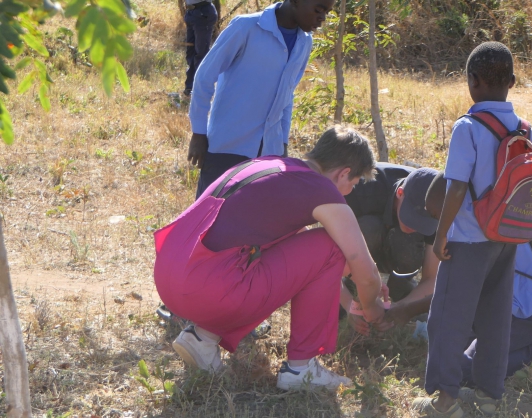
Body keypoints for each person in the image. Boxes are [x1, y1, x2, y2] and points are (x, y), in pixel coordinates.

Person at [153, 126, 389, 391]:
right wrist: (372, 305)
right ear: (344, 172)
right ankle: (301, 368)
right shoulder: (321, 189)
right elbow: (365, 272)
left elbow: (303, 263)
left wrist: (349, 299)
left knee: (310, 251)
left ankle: (202, 337)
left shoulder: (272, 165)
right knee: (330, 245)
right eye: (353, 184)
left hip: (170, 277)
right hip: (209, 288)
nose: (348, 192)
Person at [384, 172, 532, 388]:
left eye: (436, 215)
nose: (437, 225)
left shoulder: (473, 236)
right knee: (458, 345)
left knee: (467, 369)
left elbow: (456, 295)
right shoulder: (483, 210)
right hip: (512, 304)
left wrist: (406, 309)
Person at [411, 42, 526, 417]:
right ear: (511, 81)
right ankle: (491, 394)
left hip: (469, 239)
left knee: (447, 319)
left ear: (471, 82)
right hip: (506, 238)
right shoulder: (523, 127)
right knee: (495, 317)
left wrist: (441, 234)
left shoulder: (468, 127)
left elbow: (456, 186)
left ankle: (445, 400)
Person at [187, 0, 335, 198]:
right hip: (227, 145)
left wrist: (282, 144)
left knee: (252, 221)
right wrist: (198, 132)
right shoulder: (246, 27)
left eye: (327, 12)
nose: (322, 18)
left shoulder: (304, 42)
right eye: (319, 9)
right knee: (209, 218)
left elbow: (286, 96)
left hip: (268, 154)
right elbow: (204, 77)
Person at [344, 164, 440, 302]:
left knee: (408, 240)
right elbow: (332, 250)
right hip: (360, 250)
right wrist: (359, 290)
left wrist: (401, 309)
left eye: (423, 223)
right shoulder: (362, 186)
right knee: (369, 228)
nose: (415, 226)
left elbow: (431, 278)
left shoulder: (440, 207)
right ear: (400, 193)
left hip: (399, 251)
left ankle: (401, 287)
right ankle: (353, 286)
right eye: (412, 217)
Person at [182, 0, 218, 97]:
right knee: (190, 53)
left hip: (203, 13)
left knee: (201, 54)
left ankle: (202, 89)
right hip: (191, 12)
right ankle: (190, 87)